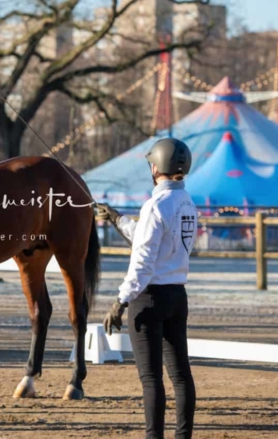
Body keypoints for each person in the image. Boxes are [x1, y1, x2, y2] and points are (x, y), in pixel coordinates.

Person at [98, 138, 197, 439]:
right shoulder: (187, 204)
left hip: (149, 298)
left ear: (155, 167)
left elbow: (142, 263)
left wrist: (120, 301)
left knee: (151, 378)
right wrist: (117, 219)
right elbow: (151, 240)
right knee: (181, 376)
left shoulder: (155, 205)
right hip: (177, 296)